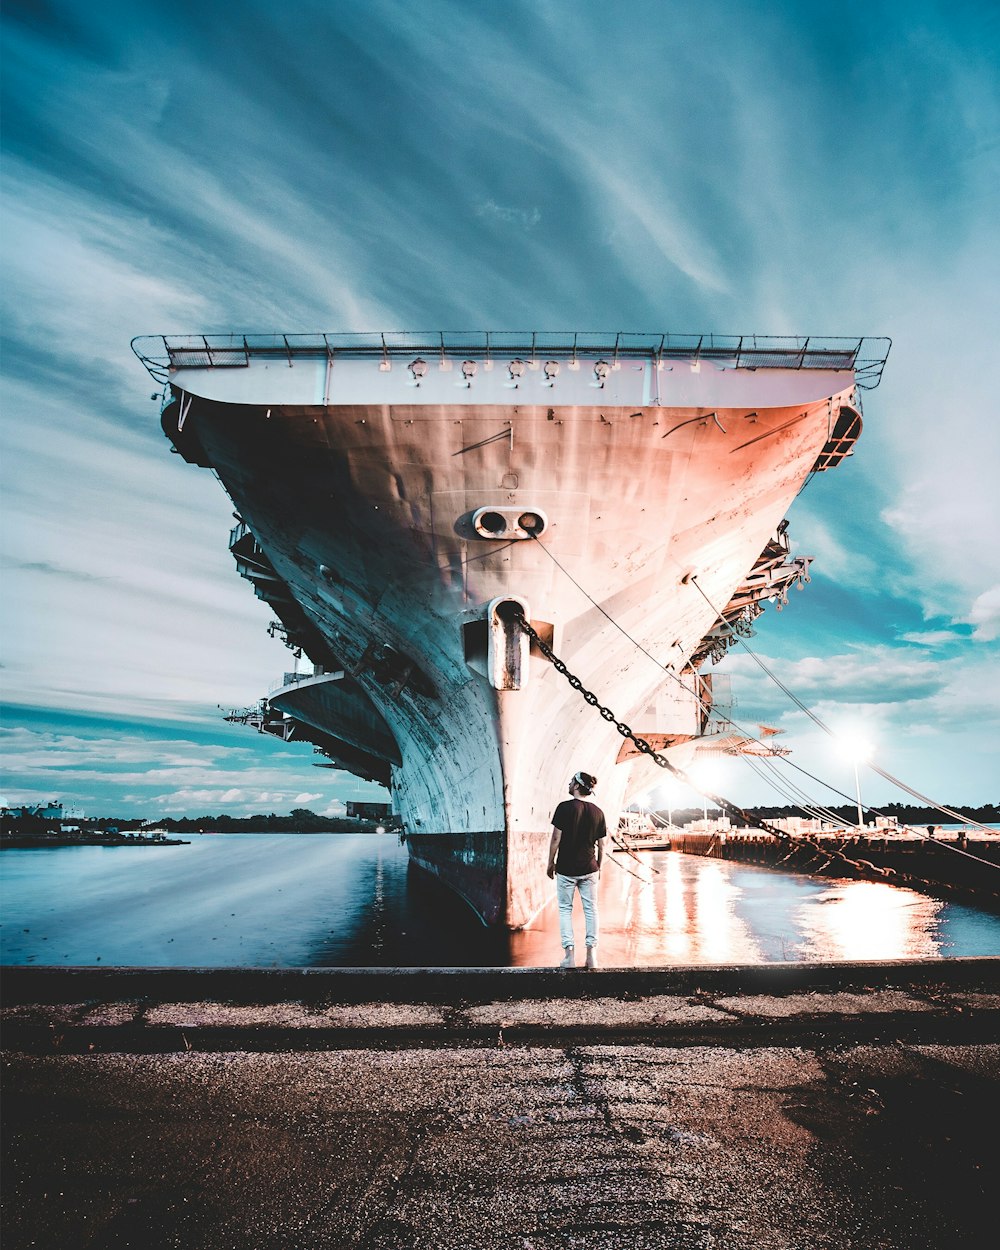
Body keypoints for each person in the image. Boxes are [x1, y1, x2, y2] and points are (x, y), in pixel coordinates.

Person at [546, 771, 607, 969]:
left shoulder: (564, 808)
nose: (569, 783)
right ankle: (591, 957)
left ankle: (569, 957)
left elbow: (556, 839)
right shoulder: (598, 812)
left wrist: (550, 862)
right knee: (591, 910)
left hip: (566, 869)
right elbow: (602, 845)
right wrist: (599, 866)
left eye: (572, 780)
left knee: (565, 910)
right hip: (589, 868)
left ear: (576, 786)